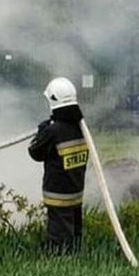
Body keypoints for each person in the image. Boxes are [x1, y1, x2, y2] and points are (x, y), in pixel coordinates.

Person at [28, 77, 88, 253]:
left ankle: (58, 256)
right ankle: (74, 252)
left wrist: (42, 133)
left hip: (57, 194)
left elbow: (35, 153)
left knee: (58, 234)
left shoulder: (53, 131)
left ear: (53, 100)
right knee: (74, 229)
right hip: (76, 192)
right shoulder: (80, 128)